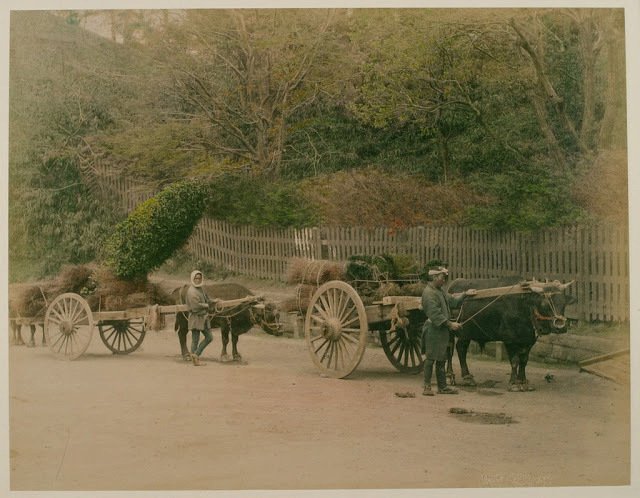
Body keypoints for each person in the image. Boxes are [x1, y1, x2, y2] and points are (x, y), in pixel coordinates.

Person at [421, 266, 476, 395]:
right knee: (430, 359)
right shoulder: (429, 293)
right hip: (433, 330)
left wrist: (465, 294)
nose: (444, 281)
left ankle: (442, 387)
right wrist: (450, 324)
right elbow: (435, 314)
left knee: (441, 358)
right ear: (434, 277)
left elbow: (453, 301)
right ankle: (427, 387)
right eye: (442, 278)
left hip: (441, 330)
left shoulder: (440, 291)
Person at [186, 270, 213, 366]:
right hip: (195, 318)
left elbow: (207, 299)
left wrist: (213, 301)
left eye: (199, 278)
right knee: (195, 339)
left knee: (209, 337)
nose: (198, 280)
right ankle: (195, 358)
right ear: (193, 279)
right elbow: (195, 306)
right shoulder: (191, 291)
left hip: (203, 318)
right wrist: (207, 306)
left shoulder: (201, 289)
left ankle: (195, 355)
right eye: (196, 278)